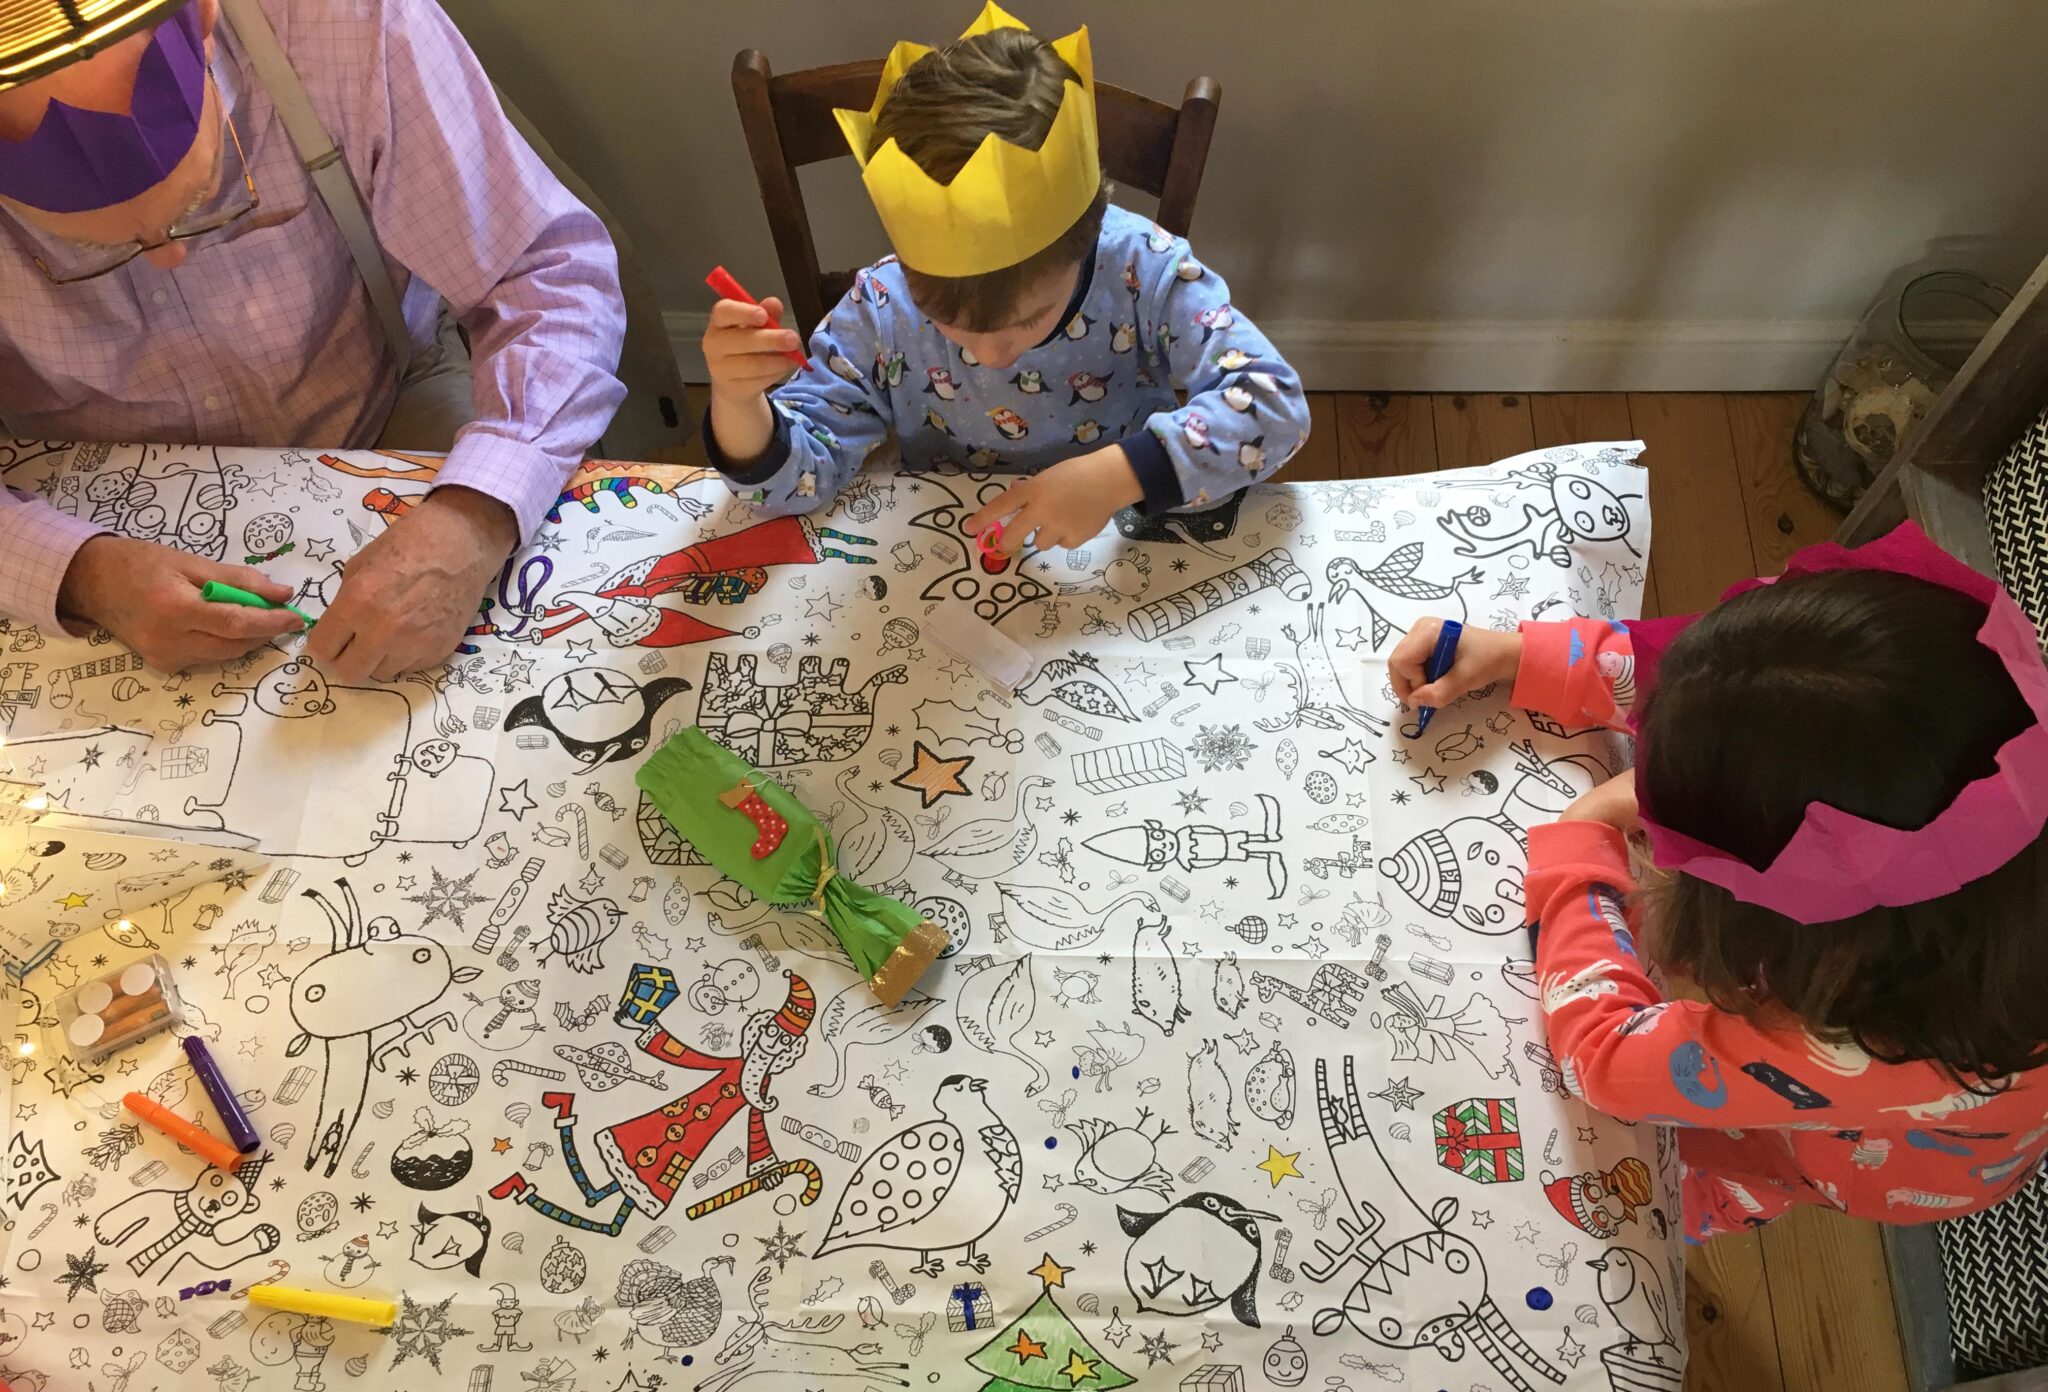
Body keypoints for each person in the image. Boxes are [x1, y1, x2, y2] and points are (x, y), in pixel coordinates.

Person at [1389, 523, 2048, 1241]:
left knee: (1730, 1175)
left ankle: (1724, 1203)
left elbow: (1604, 1059)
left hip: (1868, 1158)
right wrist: (1527, 657)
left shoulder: (1853, 1047)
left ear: (1769, 925)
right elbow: (1735, 690)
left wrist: (1579, 843)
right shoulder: (1987, 738)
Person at [0, 0, 625, 680]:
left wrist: (475, 514)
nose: (168, 257)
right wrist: (79, 572)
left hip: (380, 400)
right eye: (95, 246)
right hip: (73, 479)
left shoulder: (342, 21)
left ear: (205, 22)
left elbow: (547, 273)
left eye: (201, 198)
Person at [701, 1, 1309, 555]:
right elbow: (793, 484)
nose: (990, 357)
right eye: (950, 323)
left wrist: (1115, 476)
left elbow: (1276, 410)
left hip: (1118, 541)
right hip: (958, 545)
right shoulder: (884, 308)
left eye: (1026, 320)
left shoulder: (1142, 269)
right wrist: (737, 402)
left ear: (1084, 242)